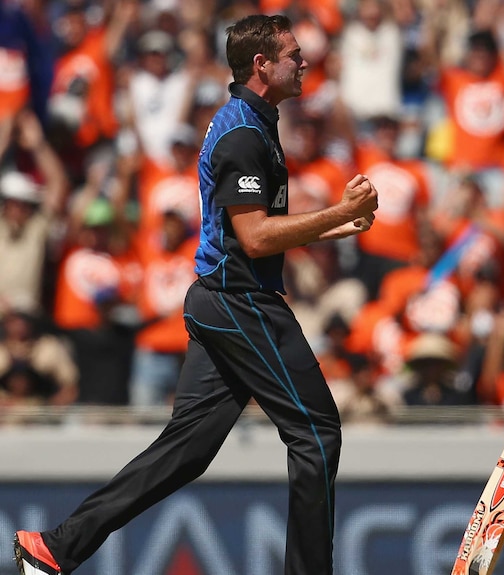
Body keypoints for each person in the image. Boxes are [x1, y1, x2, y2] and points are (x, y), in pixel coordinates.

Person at [14, 14, 378, 575]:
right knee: (316, 432)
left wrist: (338, 226)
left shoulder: (251, 120)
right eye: (294, 54)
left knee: (186, 451)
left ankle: (57, 547)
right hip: (241, 303)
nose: (305, 63)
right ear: (262, 65)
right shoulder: (242, 133)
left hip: (220, 297)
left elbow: (249, 227)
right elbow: (255, 238)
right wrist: (338, 212)